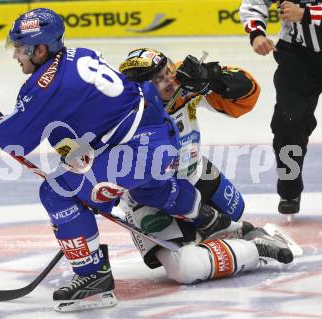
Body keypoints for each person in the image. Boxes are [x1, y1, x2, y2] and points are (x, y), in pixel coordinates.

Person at [0, 8, 254, 313]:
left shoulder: (48, 85)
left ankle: (93, 278)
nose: (15, 55)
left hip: (135, 150)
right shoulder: (78, 55)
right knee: (150, 190)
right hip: (159, 138)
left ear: (40, 49)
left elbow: (15, 138)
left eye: (20, 48)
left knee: (58, 192)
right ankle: (209, 219)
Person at [118, 48, 293, 285]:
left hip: (197, 175)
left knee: (235, 209)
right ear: (139, 88)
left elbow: (249, 94)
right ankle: (252, 249)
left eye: (167, 71)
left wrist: (212, 79)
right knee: (185, 269)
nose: (169, 80)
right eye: (157, 79)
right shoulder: (123, 115)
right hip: (150, 198)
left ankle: (237, 232)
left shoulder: (184, 79)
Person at [239, 0, 322, 216]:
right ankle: (289, 189)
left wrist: (305, 14)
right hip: (299, 54)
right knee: (288, 120)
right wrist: (256, 33)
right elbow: (255, 2)